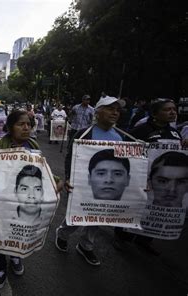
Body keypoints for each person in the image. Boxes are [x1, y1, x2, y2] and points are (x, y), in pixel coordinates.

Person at [0, 110, 63, 289]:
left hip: (23, 201)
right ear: (9, 127)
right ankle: (0, 268)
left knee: (19, 230)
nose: (26, 128)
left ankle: (16, 256)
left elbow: (42, 171)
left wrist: (59, 182)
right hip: (1, 202)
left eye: (29, 124)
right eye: (21, 124)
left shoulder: (33, 145)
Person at [55, 95, 126, 266]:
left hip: (105, 187)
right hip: (83, 184)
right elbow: (71, 157)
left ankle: (86, 246)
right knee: (78, 213)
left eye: (117, 110)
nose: (115, 113)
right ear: (98, 112)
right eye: (110, 109)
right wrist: (68, 178)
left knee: (98, 216)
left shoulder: (119, 138)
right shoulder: (84, 134)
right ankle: (63, 234)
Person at [113, 99, 183, 254]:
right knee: (136, 207)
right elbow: (124, 151)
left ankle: (145, 239)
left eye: (174, 109)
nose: (172, 112)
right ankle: (122, 237)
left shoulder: (175, 133)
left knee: (156, 210)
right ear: (155, 114)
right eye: (167, 109)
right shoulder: (141, 130)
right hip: (143, 180)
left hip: (165, 181)